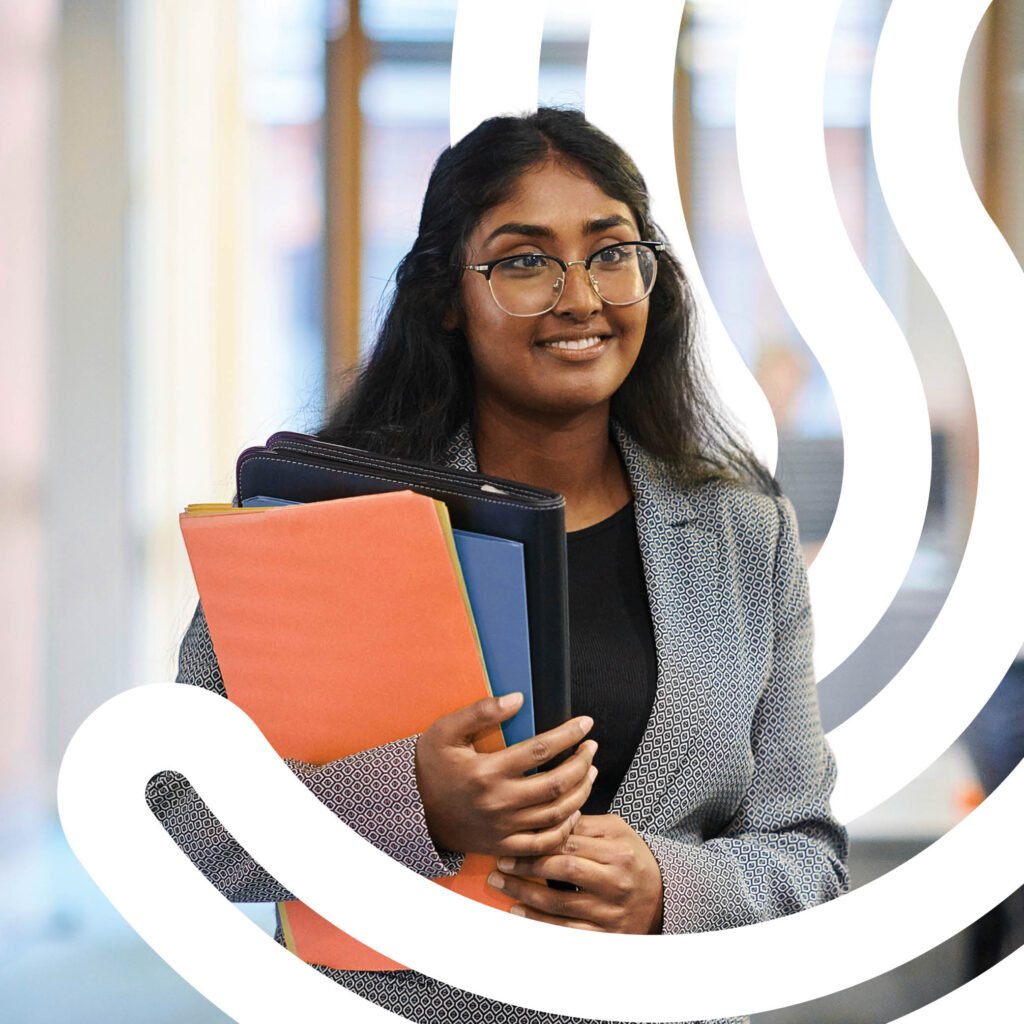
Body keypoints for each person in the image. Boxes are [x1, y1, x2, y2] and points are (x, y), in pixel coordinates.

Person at [147, 107, 849, 1024]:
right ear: (448, 296)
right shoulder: (319, 523)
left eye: (611, 252)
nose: (580, 297)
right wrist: (415, 801)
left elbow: (810, 860)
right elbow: (183, 818)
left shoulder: (744, 536)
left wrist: (668, 891)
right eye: (524, 262)